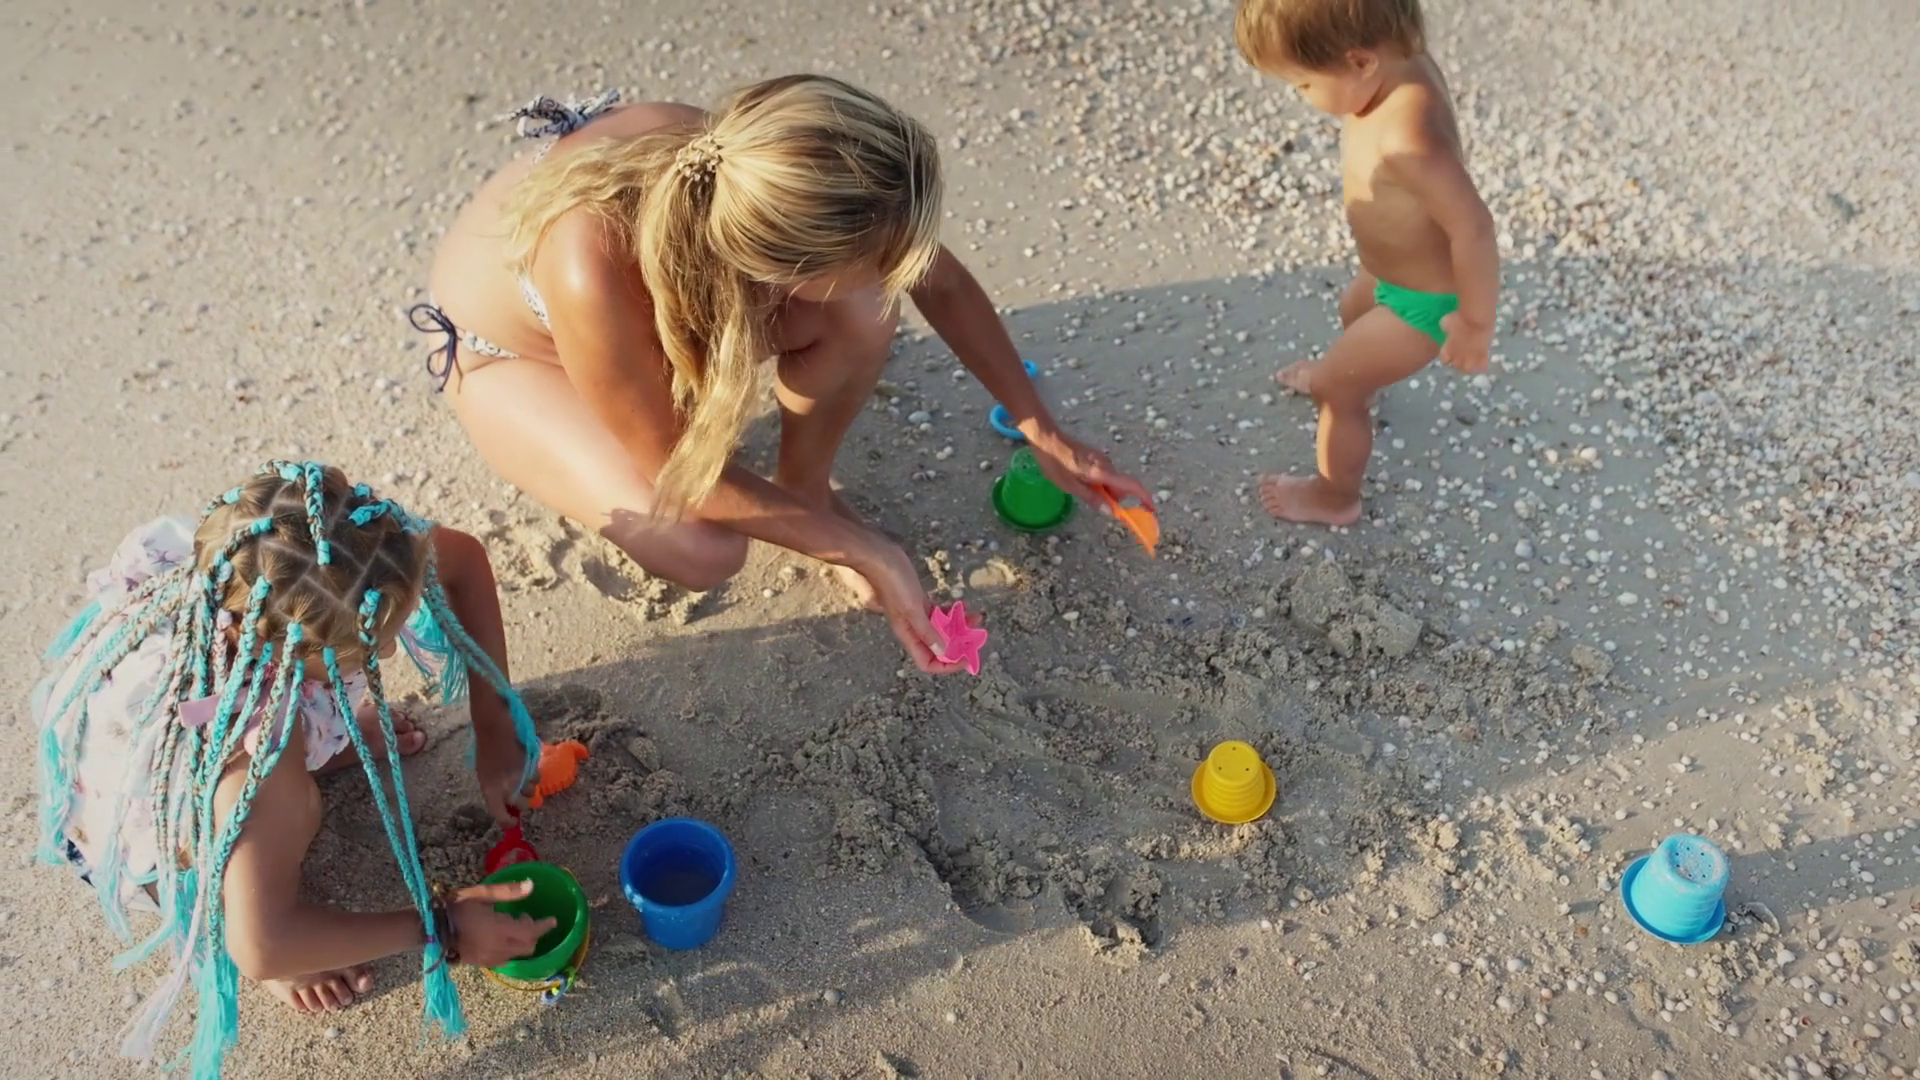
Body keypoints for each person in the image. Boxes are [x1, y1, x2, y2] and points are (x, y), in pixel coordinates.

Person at [411, 74, 1151, 672]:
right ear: (782, 266)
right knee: (702, 548)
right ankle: (809, 514)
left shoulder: (757, 174)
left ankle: (806, 489)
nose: (904, 268)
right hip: (512, 358)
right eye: (876, 257)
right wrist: (866, 549)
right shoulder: (590, 266)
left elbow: (940, 280)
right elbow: (676, 470)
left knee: (866, 307)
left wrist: (1041, 426)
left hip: (670, 291)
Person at [32, 462, 557, 1076]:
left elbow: (460, 559)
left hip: (213, 697)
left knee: (289, 774)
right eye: (372, 646)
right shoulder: (261, 757)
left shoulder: (324, 550)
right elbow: (261, 947)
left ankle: (329, 739)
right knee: (291, 814)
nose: (389, 649)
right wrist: (447, 927)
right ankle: (237, 896)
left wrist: (495, 727)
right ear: (298, 656)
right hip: (144, 824)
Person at [1234, 0, 1499, 526]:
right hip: (1387, 272)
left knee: (1334, 390)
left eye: (1303, 84)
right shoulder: (1400, 62)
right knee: (1352, 314)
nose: (1301, 96)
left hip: (1423, 304)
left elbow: (1473, 227)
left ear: (1359, 62)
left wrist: (1474, 323)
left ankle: (1335, 497)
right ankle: (1361, 378)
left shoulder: (1409, 139)